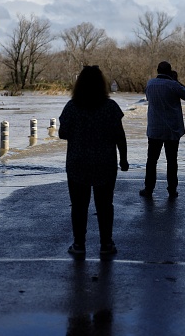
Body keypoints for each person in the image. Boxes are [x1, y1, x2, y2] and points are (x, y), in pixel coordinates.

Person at [59, 65, 129, 256]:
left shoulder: (72, 107)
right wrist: (123, 159)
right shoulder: (111, 107)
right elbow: (119, 136)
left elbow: (62, 133)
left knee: (79, 206)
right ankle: (106, 244)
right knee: (105, 205)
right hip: (105, 163)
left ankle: (79, 245)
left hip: (77, 162)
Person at [139, 61, 185, 199]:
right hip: (172, 129)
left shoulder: (150, 84)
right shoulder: (173, 85)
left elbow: (148, 98)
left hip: (155, 128)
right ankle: (172, 190)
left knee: (151, 161)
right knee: (172, 161)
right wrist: (177, 81)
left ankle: (148, 188)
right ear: (170, 71)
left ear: (157, 70)